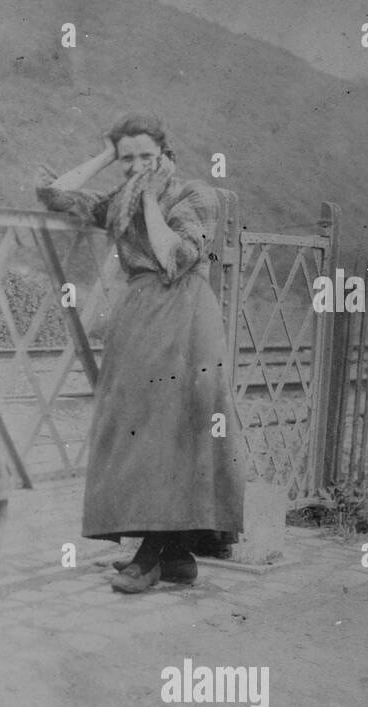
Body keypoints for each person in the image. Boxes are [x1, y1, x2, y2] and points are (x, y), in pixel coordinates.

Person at [36, 112, 244, 593]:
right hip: (139, 316)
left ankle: (150, 556)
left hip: (187, 314)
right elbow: (56, 195)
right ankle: (176, 557)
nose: (136, 167)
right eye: (127, 160)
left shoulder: (194, 195)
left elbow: (177, 257)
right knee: (136, 425)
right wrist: (109, 153)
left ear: (166, 155)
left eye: (145, 157)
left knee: (168, 427)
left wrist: (150, 197)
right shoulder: (121, 199)